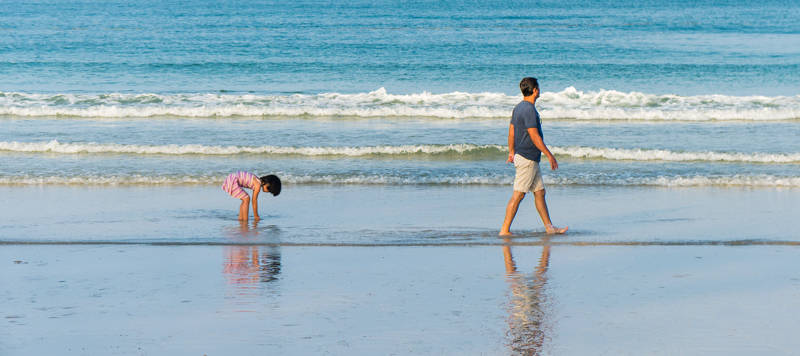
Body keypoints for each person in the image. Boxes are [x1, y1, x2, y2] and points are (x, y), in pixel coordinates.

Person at [500, 77, 567, 236]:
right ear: (535, 90)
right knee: (518, 195)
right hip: (527, 159)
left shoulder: (518, 107)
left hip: (527, 157)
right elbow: (534, 135)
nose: (539, 90)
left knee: (540, 192)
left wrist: (511, 151)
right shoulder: (529, 109)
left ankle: (549, 228)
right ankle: (504, 230)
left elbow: (511, 130)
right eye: (539, 88)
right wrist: (549, 155)